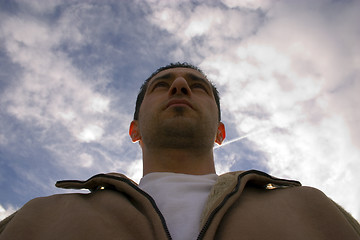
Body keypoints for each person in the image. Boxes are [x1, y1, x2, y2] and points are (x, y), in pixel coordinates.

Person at [0, 62, 359, 240]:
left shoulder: (313, 209)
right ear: (134, 129)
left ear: (220, 132)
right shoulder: (41, 217)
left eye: (197, 86)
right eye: (162, 85)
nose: (181, 86)